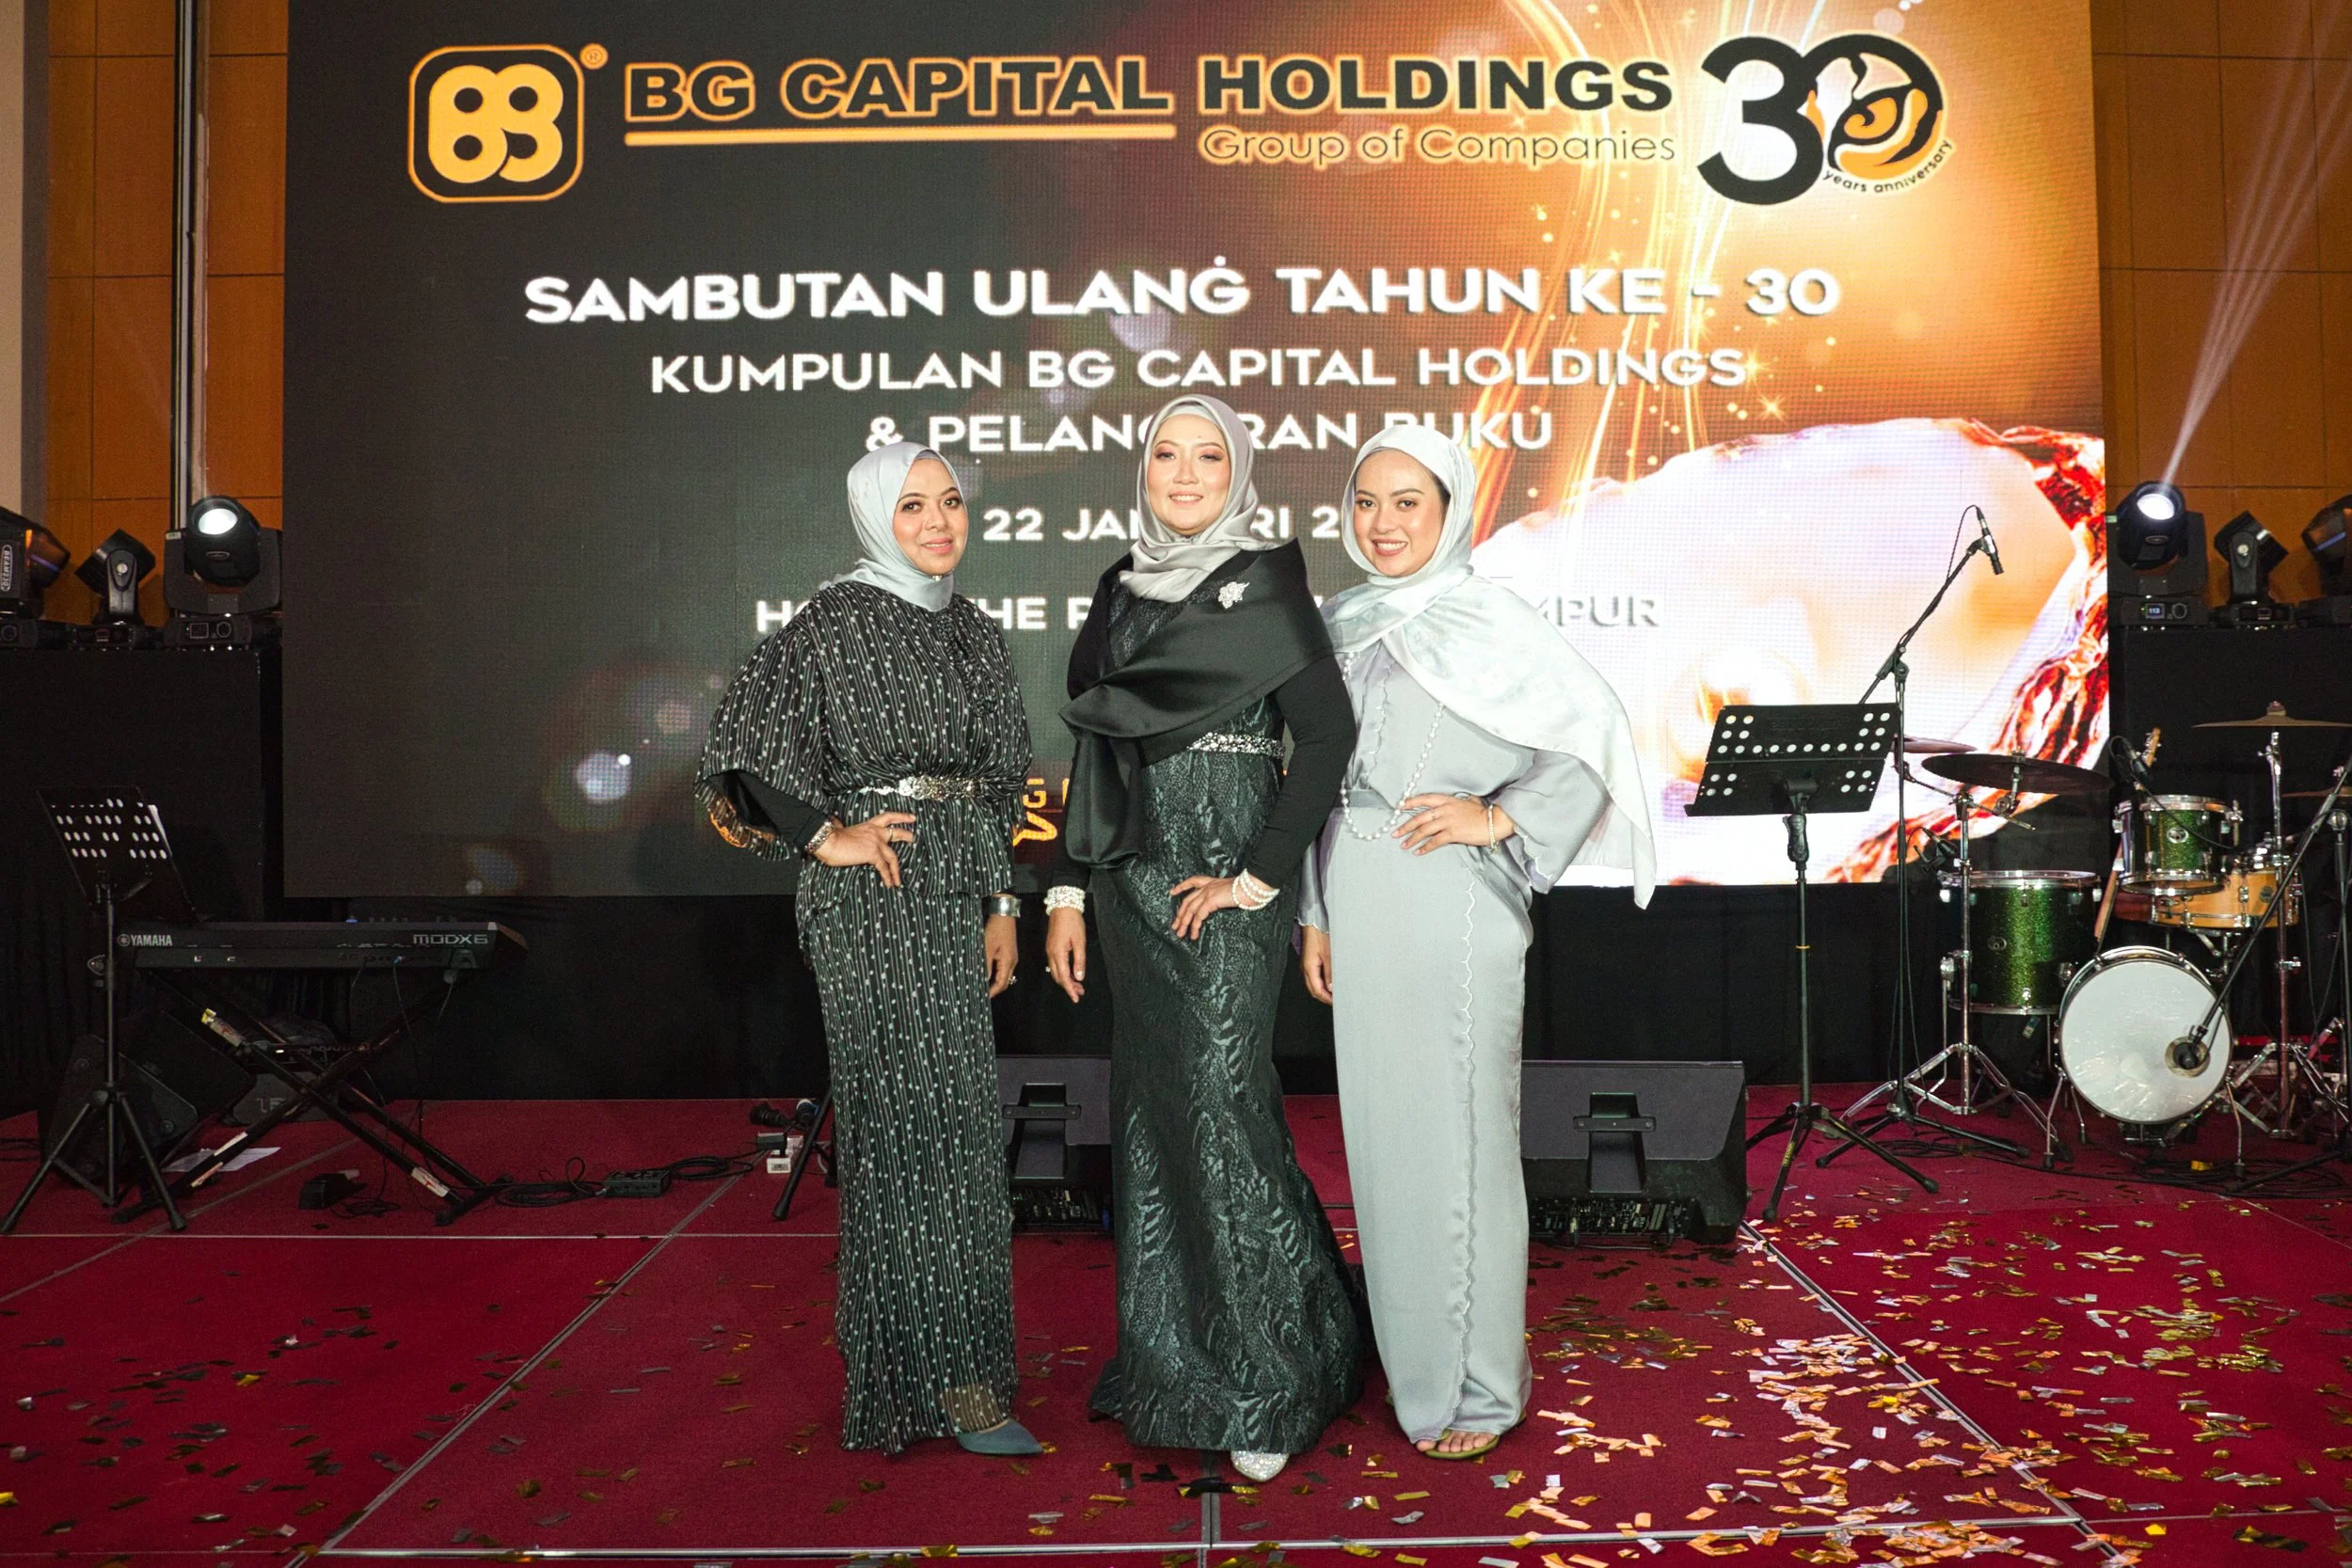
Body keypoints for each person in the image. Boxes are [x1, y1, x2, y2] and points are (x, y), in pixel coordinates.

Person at [1298, 425, 1657, 1462]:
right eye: (1366, 501)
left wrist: (1501, 819)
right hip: (1358, 890)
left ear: (1451, 509)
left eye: (1408, 501)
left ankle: (1480, 1386)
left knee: (1460, 1147)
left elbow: (1593, 729)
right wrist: (1313, 912)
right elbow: (1315, 780)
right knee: (1381, 1140)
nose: (1384, 522)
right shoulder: (1342, 621)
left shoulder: (1489, 616)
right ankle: (1416, 1360)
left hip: (1452, 902)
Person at [696, 442, 1038, 1457]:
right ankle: (909, 1382)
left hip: (952, 893)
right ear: (871, 517)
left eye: (948, 502)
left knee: (966, 1132)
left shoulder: (973, 630)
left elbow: (1003, 775)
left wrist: (1001, 902)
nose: (937, 522)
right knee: (898, 1133)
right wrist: (824, 835)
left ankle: (965, 1375)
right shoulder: (832, 622)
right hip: (870, 900)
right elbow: (736, 757)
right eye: (911, 506)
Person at [1042, 394, 1360, 1483]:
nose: (1185, 473)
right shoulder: (1118, 586)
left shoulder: (1266, 582)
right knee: (1154, 1107)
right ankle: (1175, 1363)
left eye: (1207, 454)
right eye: (1167, 455)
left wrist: (1259, 877)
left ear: (1239, 467)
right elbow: (1096, 749)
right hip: (1130, 880)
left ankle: (1272, 1374)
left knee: (1225, 1102)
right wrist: (1068, 894)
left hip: (1223, 881)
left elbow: (1324, 738)